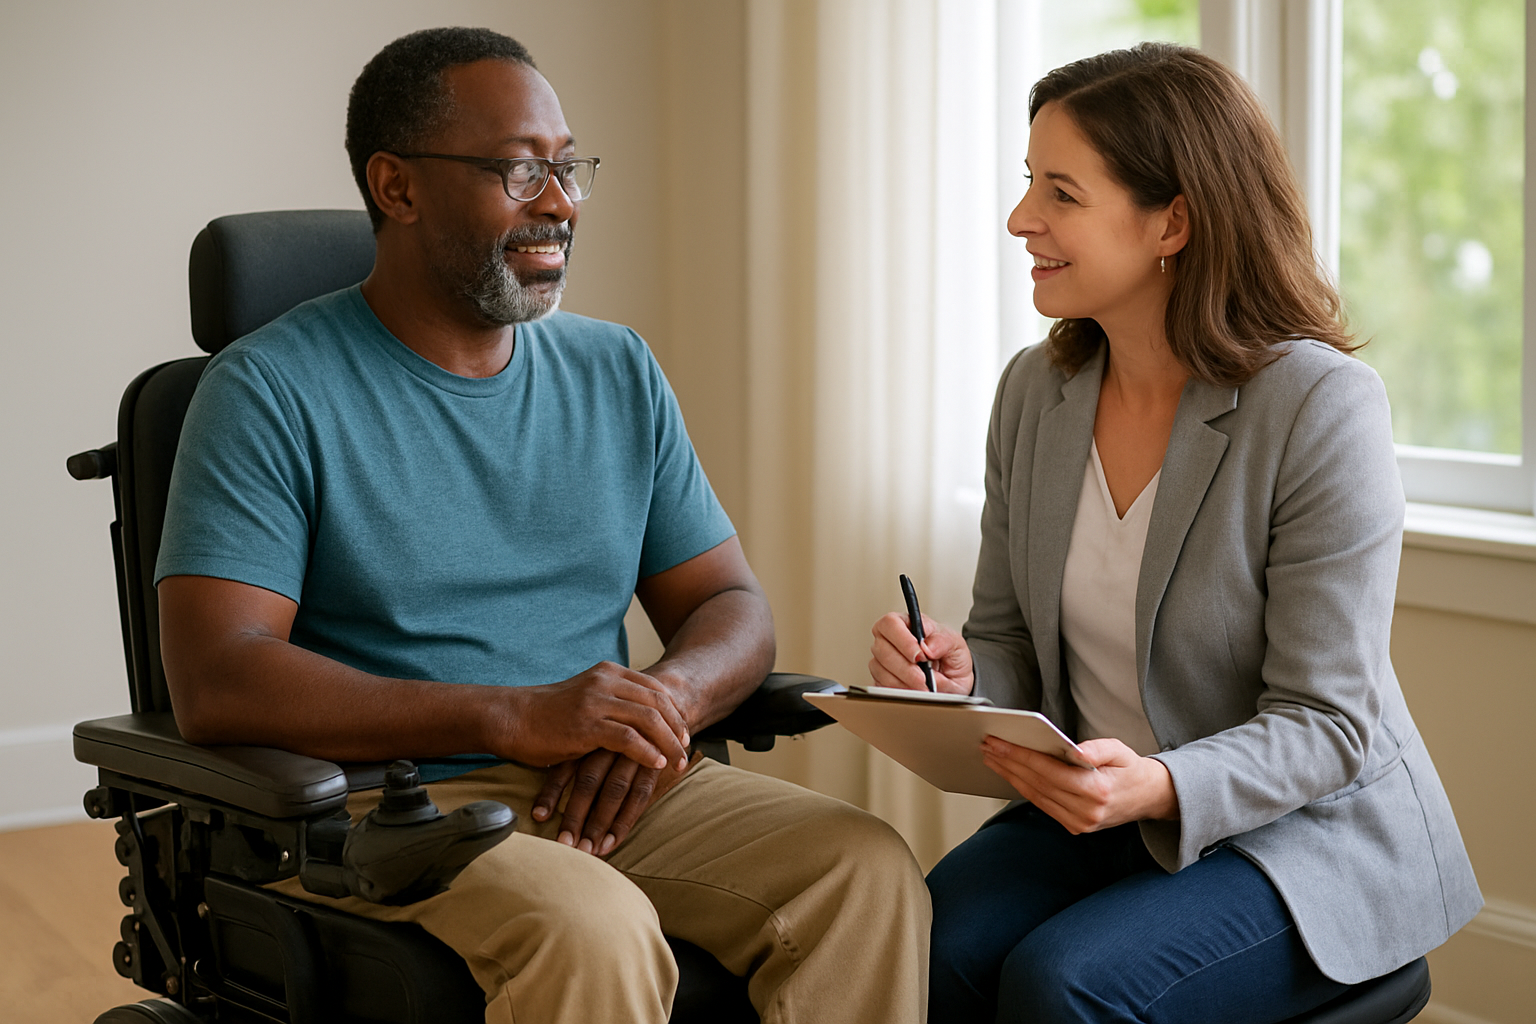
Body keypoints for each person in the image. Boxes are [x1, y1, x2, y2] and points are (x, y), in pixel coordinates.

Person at [156, 26, 928, 1024]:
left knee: (863, 868)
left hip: (608, 784)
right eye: (521, 171)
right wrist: (512, 715)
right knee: (591, 927)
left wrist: (659, 709)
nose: (561, 203)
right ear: (397, 186)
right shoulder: (268, 391)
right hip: (386, 810)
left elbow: (729, 602)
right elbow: (218, 677)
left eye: (568, 168)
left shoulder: (616, 370)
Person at [869, 43, 1480, 1024]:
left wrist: (1158, 784)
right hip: (1102, 812)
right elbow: (1009, 642)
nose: (1021, 219)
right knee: (915, 941)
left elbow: (1326, 725)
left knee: (1062, 982)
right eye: (1028, 182)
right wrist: (961, 674)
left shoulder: (1320, 406)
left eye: (1060, 192)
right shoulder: (1034, 394)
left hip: (1300, 834)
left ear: (1174, 222)